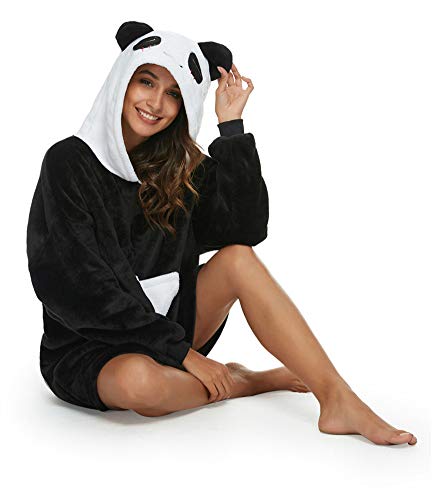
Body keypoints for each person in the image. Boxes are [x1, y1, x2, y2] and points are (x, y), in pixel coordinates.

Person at [26, 21, 417, 446]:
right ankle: (244, 381)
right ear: (123, 78)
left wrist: (231, 127)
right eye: (147, 81)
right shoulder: (68, 162)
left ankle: (337, 397)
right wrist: (182, 354)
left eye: (174, 93)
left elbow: (245, 229)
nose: (156, 103)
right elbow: (74, 287)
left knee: (237, 260)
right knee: (141, 384)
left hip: (170, 328)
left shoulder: (180, 166)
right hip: (88, 346)